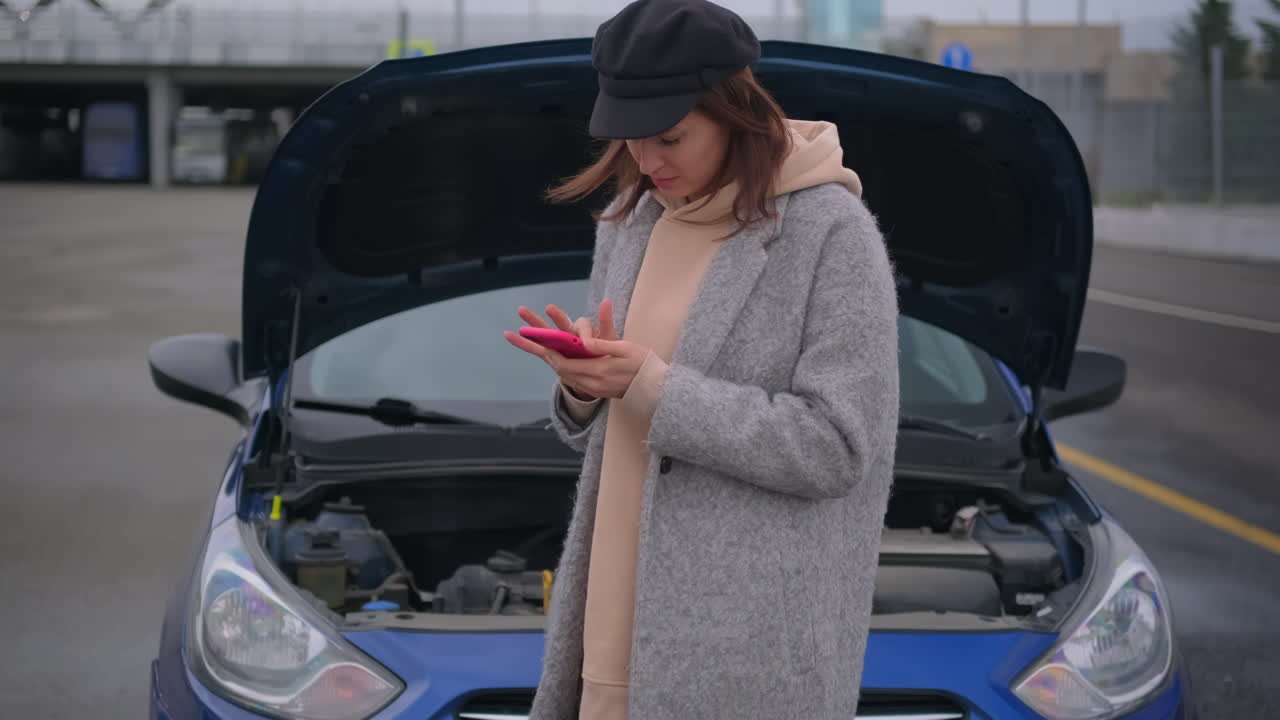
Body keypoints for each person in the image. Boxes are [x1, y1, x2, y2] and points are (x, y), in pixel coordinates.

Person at [502, 1, 899, 717]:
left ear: (734, 111)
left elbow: (839, 447)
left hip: (745, 654)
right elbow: (610, 430)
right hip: (611, 626)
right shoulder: (632, 220)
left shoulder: (832, 234)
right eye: (629, 138)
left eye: (670, 136)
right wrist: (583, 389)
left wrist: (655, 387)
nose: (648, 160)